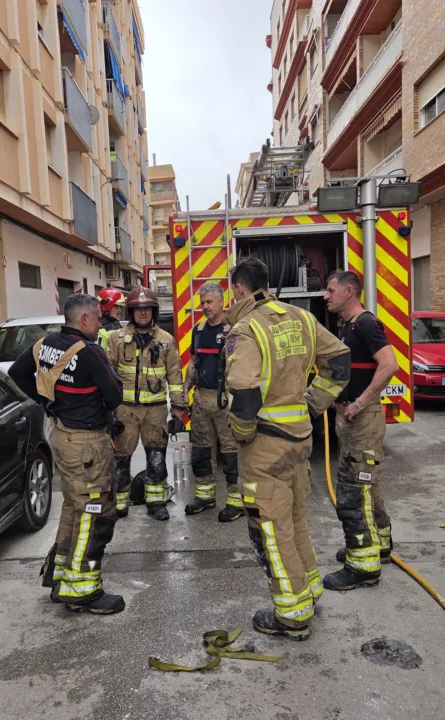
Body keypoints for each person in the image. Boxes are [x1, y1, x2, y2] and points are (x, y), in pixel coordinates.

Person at [225, 257, 351, 641]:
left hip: (265, 444)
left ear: (239, 290)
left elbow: (244, 393)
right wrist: (313, 404)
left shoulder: (246, 329)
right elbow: (340, 362)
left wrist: (242, 434)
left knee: (270, 528)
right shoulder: (301, 318)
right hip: (299, 440)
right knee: (295, 520)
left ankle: (292, 615)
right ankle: (309, 590)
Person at [8, 294, 125, 615]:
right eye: (98, 318)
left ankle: (59, 573)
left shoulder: (42, 345)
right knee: (95, 511)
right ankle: (82, 589)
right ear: (84, 320)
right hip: (87, 442)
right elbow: (115, 396)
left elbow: (17, 374)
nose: (101, 323)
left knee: (75, 506)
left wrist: (48, 402)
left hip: (61, 434)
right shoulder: (89, 353)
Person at [323, 271, 400, 592]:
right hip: (350, 421)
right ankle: (378, 544)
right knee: (367, 486)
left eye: (330, 290)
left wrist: (360, 401)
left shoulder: (366, 323)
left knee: (354, 492)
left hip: (363, 419)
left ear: (349, 291)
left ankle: (363, 565)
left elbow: (390, 364)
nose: (325, 295)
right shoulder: (347, 326)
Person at [105, 286, 187, 521]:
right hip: (125, 410)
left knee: (157, 457)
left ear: (154, 311)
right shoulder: (116, 339)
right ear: (131, 312)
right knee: (121, 458)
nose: (143, 313)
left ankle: (156, 502)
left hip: (155, 410)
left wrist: (179, 410)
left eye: (147, 308)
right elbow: (107, 374)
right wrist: (108, 410)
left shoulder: (165, 340)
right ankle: (120, 504)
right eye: (138, 309)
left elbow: (175, 376)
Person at [184, 282, 242, 522]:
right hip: (201, 399)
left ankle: (236, 501)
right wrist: (185, 389)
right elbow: (193, 362)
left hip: (225, 399)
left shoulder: (233, 330)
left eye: (209, 302)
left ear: (221, 301)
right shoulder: (198, 330)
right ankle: (205, 497)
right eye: (202, 303)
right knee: (201, 451)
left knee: (231, 452)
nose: (205, 307)